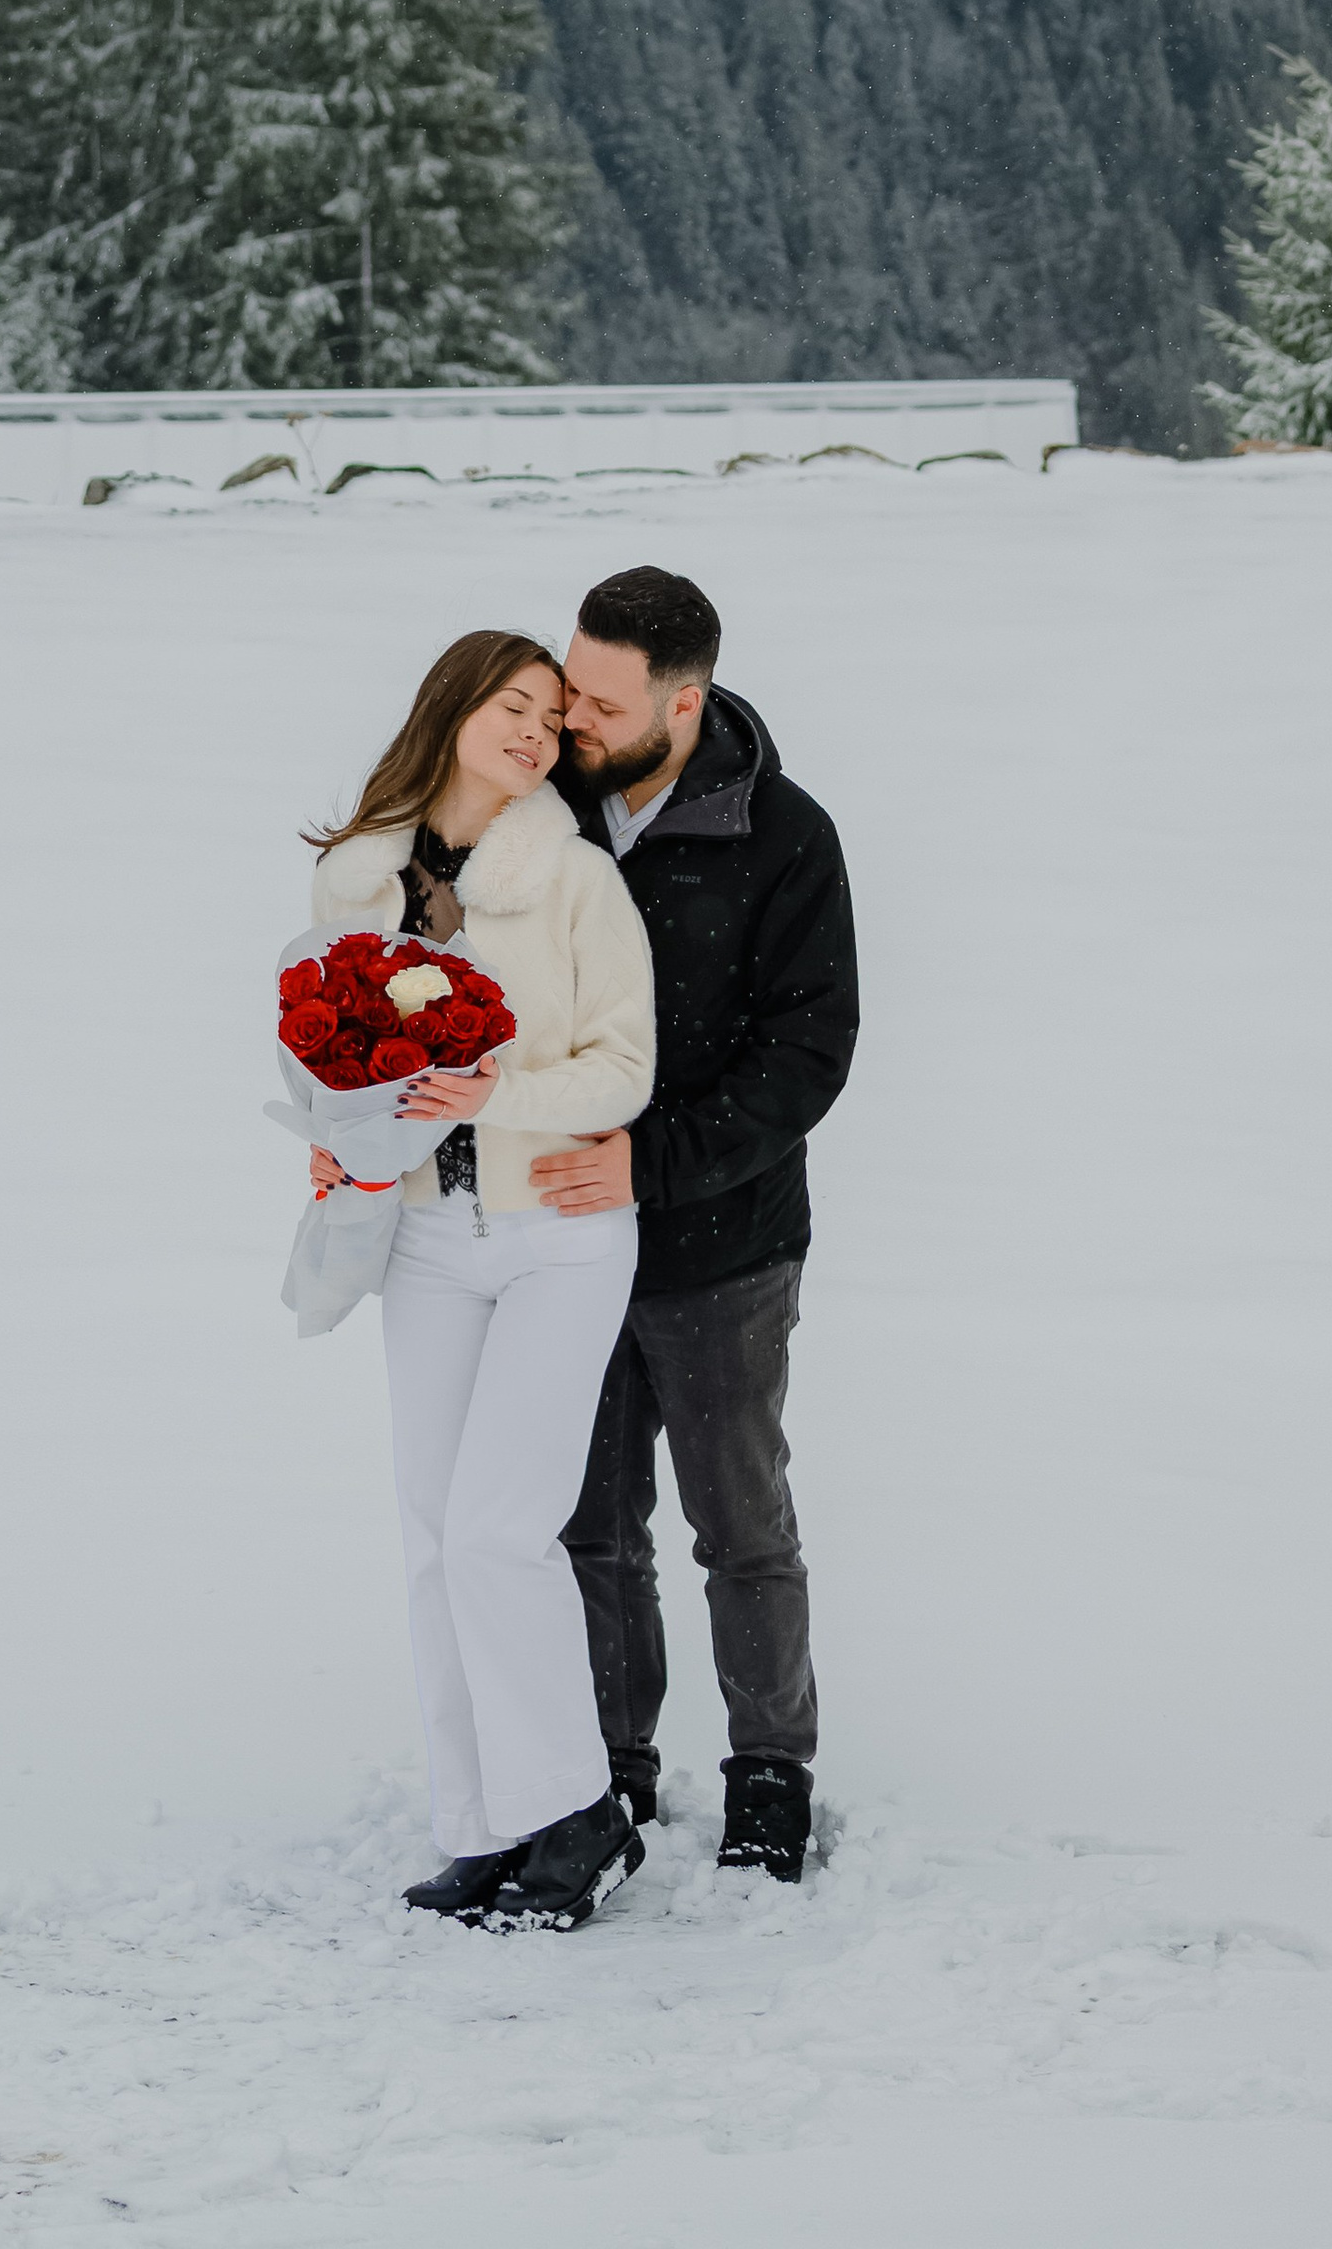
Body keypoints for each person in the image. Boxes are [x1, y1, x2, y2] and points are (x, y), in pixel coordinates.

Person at [305, 629, 657, 1929]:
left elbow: (626, 1068)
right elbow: (329, 1054)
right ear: (454, 708)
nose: (532, 731)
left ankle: (578, 1814)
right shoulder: (354, 883)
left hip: (558, 1234)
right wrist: (340, 1148)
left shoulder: (573, 882)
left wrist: (500, 1087)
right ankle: (484, 1825)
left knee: (502, 1528)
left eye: (551, 720)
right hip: (423, 1238)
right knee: (431, 1539)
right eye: (513, 705)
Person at [535, 566, 858, 1886]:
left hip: (723, 1251)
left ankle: (770, 1769)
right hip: (563, 1246)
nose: (570, 719)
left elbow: (807, 1054)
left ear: (689, 698)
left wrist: (651, 1163)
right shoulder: (535, 815)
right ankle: (611, 1759)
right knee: (590, 1523)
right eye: (568, 686)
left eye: (602, 701)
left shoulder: (784, 836)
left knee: (740, 1524)